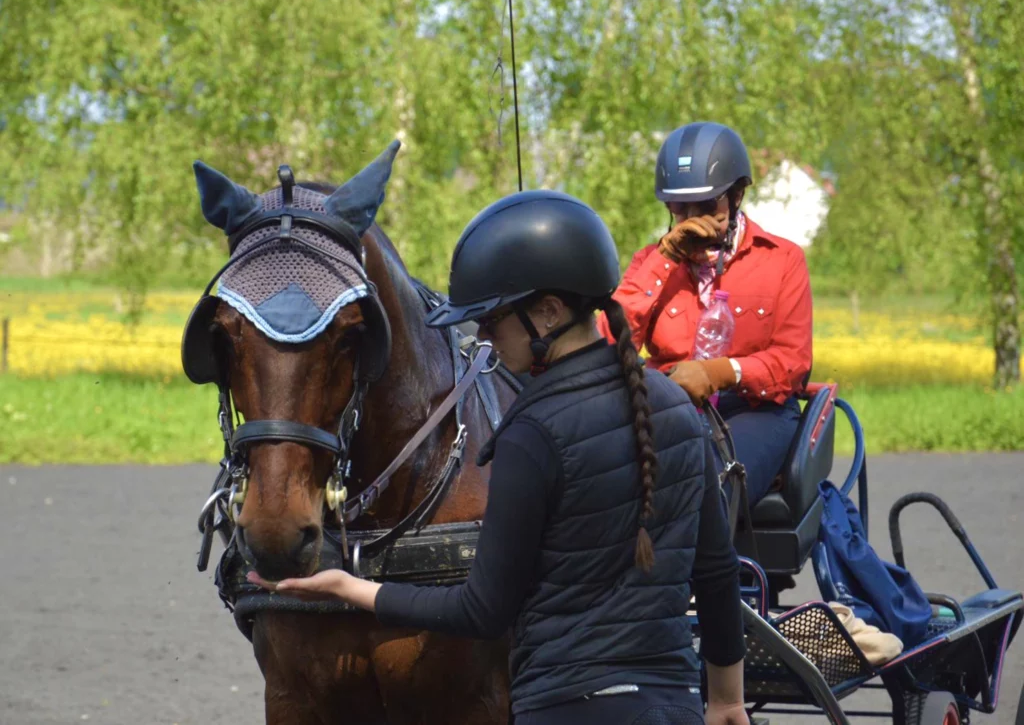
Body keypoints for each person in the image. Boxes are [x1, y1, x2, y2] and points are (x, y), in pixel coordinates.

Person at [251, 190, 748, 725]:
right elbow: (717, 573)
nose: (482, 338)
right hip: (672, 706)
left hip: (563, 711)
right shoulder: (675, 407)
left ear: (549, 312)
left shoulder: (531, 433)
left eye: (491, 319)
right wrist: (726, 700)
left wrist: (353, 588)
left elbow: (483, 611)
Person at [599, 122, 813, 509]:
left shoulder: (782, 260)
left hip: (754, 410)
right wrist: (665, 258)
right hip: (667, 407)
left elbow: (793, 361)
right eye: (679, 208)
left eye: (706, 205)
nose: (692, 218)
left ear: (737, 195)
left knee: (708, 485)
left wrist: (719, 372)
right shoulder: (648, 263)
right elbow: (607, 342)